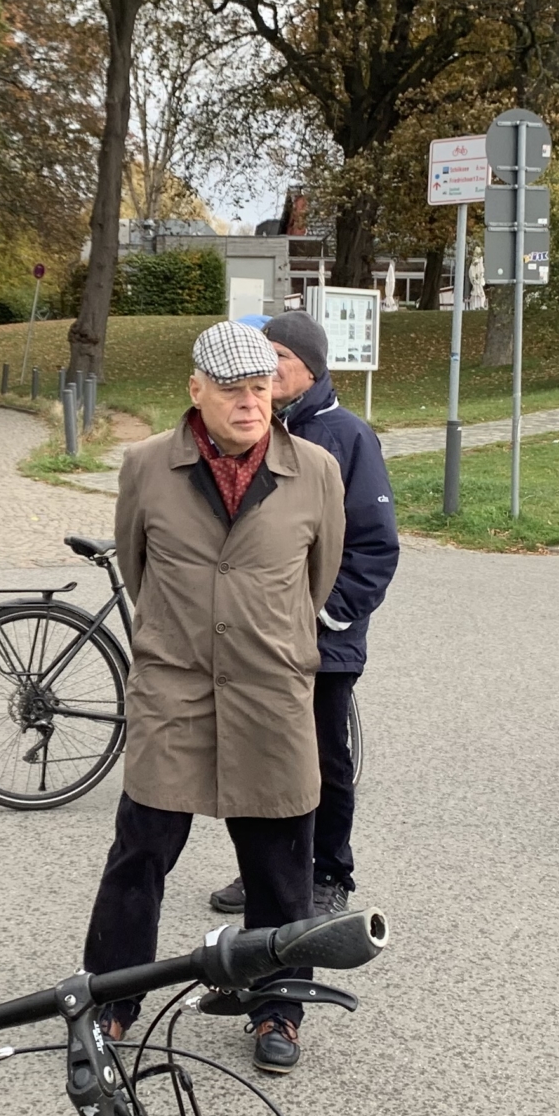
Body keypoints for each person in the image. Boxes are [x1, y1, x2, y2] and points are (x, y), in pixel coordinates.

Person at [81, 322, 344, 1074]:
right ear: (196, 390)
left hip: (271, 690)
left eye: (260, 387)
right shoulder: (145, 468)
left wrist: (268, 638)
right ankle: (113, 1000)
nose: (250, 402)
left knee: (279, 865)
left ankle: (279, 1006)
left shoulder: (317, 471)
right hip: (175, 688)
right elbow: (137, 570)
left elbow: (317, 577)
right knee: (140, 854)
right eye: (232, 389)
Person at [206, 309, 396, 918]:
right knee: (257, 755)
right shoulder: (253, 431)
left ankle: (329, 872)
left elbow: (374, 546)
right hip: (257, 637)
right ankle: (262, 870)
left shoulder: (348, 437)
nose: (264, 370)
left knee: (322, 759)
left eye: (277, 359)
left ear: (308, 368)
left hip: (322, 641)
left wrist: (325, 617)